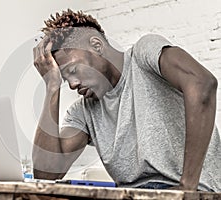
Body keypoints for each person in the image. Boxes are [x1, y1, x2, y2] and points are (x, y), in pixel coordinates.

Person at [32, 9, 220, 191]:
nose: (72, 85)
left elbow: (202, 83)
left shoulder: (144, 55)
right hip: (132, 195)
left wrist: (187, 186)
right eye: (64, 78)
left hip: (195, 192)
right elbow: (45, 174)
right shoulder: (83, 110)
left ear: (97, 46)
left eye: (73, 70)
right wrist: (52, 85)